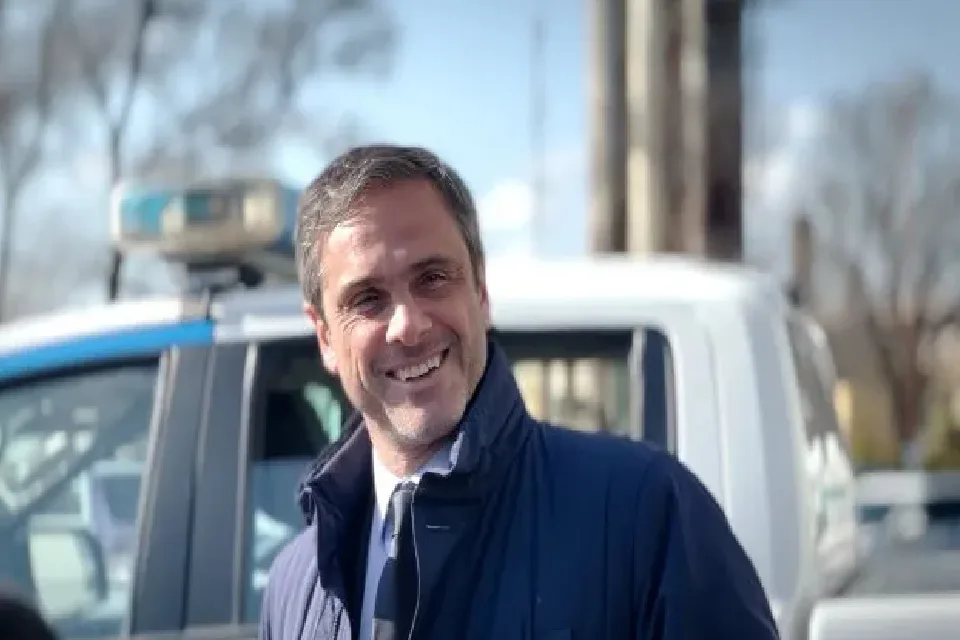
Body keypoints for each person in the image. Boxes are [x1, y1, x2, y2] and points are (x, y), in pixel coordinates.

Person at [259, 144, 780, 640]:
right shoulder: (294, 585)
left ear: (481, 293)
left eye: (433, 278)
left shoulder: (646, 513)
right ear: (324, 336)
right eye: (367, 299)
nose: (408, 326)